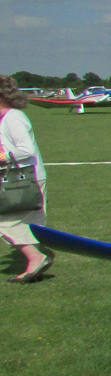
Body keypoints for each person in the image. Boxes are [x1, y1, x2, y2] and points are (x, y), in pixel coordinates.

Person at [0, 75, 52, 282]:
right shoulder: (5, 118)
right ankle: (36, 258)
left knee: (7, 222)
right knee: (26, 224)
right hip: (16, 179)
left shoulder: (13, 118)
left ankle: (37, 257)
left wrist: (2, 157)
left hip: (25, 180)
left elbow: (26, 150)